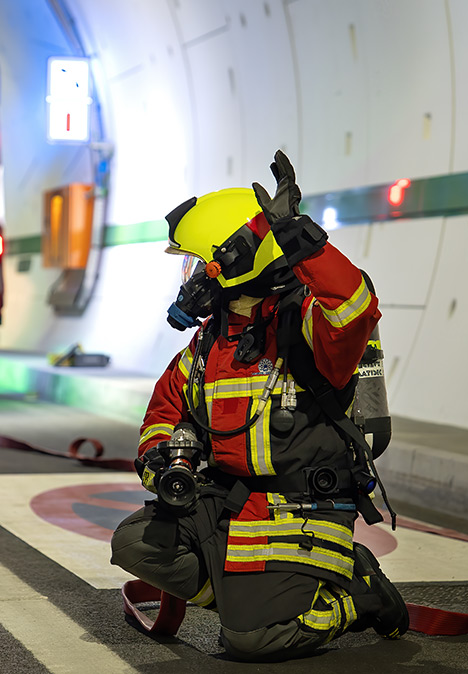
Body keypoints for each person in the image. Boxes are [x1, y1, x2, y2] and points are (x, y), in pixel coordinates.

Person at [110, 151, 408, 662]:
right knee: (134, 543)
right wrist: (161, 459)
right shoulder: (208, 345)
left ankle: (358, 595)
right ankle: (244, 606)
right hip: (230, 504)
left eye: (194, 260)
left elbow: (356, 307)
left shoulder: (307, 327)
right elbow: (162, 412)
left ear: (231, 261)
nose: (189, 277)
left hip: (301, 514)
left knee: (253, 642)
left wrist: (298, 237)